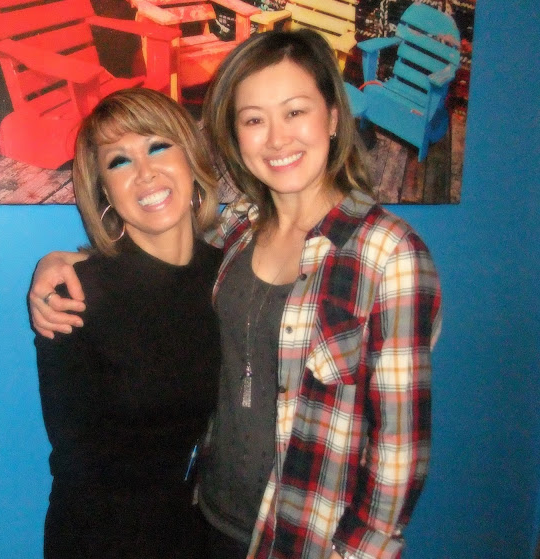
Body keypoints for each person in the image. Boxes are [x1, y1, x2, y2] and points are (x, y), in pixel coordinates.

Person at [30, 30, 442, 559]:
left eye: (295, 111)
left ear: (334, 118)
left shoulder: (388, 254)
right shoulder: (236, 238)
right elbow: (156, 273)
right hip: (203, 524)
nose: (276, 139)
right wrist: (67, 263)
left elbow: (399, 451)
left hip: (305, 542)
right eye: (254, 120)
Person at [33, 87, 222, 558]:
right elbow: (78, 470)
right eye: (119, 161)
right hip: (105, 541)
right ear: (105, 192)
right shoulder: (73, 298)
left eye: (158, 146)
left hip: (203, 533)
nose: (145, 172)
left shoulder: (232, 277)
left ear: (190, 157)